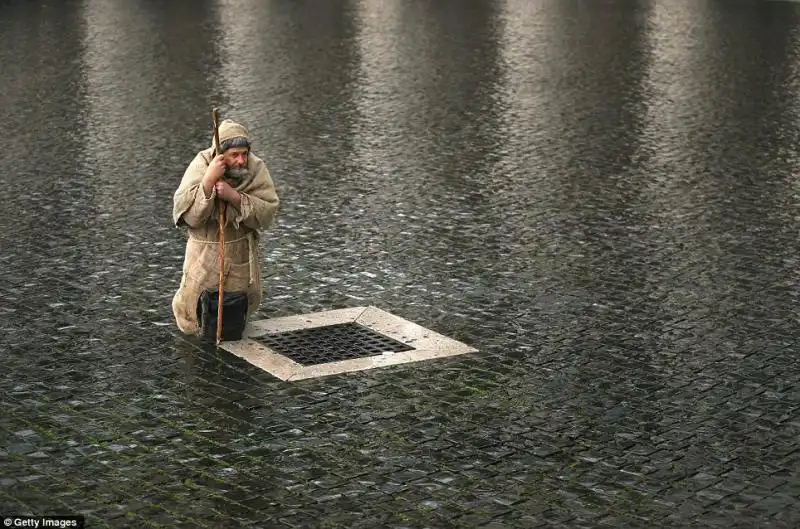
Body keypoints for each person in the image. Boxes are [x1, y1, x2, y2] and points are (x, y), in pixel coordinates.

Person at [171, 119, 280, 336]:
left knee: (235, 315)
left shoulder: (256, 168)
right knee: (197, 316)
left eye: (244, 153)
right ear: (221, 155)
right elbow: (189, 216)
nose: (241, 160)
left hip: (240, 254)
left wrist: (236, 198)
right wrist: (208, 181)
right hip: (204, 256)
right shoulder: (201, 165)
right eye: (234, 155)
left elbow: (267, 212)